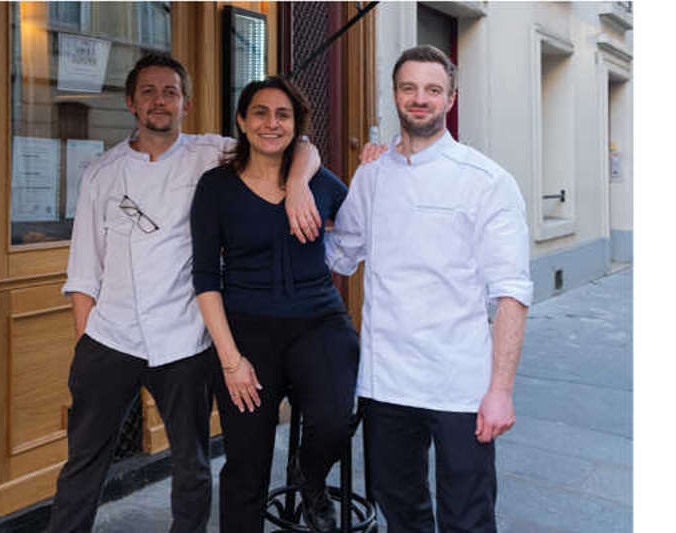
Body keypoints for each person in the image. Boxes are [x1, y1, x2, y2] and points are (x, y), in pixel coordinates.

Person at [49, 53, 321, 533]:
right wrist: (86, 344)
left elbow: (294, 142)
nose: (160, 101)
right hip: (111, 337)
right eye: (149, 92)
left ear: (186, 104)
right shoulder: (102, 172)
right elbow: (84, 269)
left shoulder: (211, 155)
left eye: (170, 92)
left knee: (191, 463)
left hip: (185, 339)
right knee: (84, 462)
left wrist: (298, 182)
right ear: (132, 102)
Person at [325, 45, 534, 532]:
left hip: (460, 383)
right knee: (399, 511)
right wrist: (291, 191)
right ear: (395, 95)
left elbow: (512, 293)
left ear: (451, 97)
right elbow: (340, 253)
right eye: (409, 88)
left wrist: (500, 390)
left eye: (432, 90)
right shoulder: (372, 176)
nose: (420, 99)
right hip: (386, 382)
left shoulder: (487, 181)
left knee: (467, 517)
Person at [190, 76, 360, 533]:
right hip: (246, 331)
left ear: (296, 126)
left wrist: (371, 164)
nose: (271, 123)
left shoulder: (319, 181)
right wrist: (231, 361)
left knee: (332, 424)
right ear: (242, 123)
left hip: (319, 322)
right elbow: (205, 278)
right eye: (260, 113)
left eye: (283, 115)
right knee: (246, 464)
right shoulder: (216, 187)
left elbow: (367, 225)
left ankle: (310, 477)